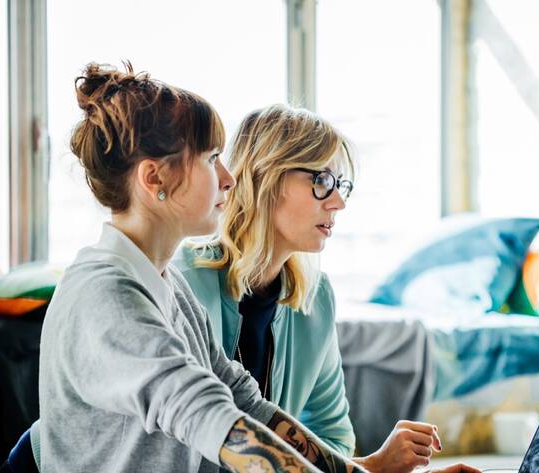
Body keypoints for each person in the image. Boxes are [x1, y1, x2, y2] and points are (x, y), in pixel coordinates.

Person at [35, 62, 366, 473]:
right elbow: (207, 414)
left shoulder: (167, 285)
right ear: (155, 178)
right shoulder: (107, 295)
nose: (229, 178)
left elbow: (243, 402)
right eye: (212, 159)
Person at [173, 104, 443, 473]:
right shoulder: (183, 282)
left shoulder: (315, 298)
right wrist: (374, 468)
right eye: (322, 182)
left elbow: (332, 438)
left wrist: (372, 469)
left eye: (341, 185)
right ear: (267, 177)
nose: (339, 202)